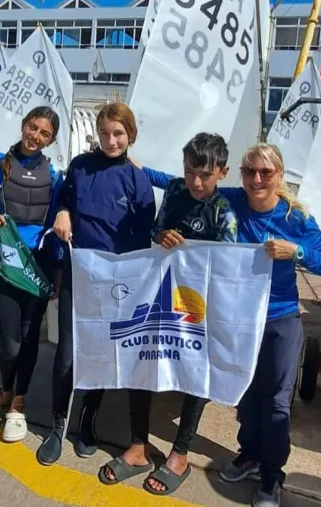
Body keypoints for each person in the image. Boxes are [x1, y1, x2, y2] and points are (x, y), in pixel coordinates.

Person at [99, 132, 237, 496]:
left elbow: (231, 266)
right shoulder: (175, 191)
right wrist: (162, 235)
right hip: (161, 295)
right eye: (191, 171)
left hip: (197, 310)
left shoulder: (224, 214)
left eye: (205, 175)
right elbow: (157, 227)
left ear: (221, 173)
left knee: (196, 377)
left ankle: (180, 454)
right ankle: (138, 446)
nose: (195, 181)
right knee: (141, 361)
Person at [219, 144, 321, 507]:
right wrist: (136, 165)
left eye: (265, 173)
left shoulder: (294, 218)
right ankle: (250, 453)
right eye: (250, 172)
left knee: (276, 400)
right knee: (246, 392)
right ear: (240, 175)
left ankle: (273, 475)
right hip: (242, 317)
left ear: (279, 175)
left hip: (281, 318)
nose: (257, 179)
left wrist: (297, 252)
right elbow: (194, 183)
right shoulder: (232, 202)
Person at [37, 102, 156, 466]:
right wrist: (62, 211)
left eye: (118, 134)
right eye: (104, 133)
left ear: (130, 136)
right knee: (67, 355)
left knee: (100, 357)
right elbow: (64, 200)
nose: (111, 140)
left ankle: (88, 420)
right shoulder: (79, 167)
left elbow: (144, 237)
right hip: (79, 274)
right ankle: (58, 424)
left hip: (115, 284)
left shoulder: (138, 181)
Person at [0, 106, 65, 443]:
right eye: (32, 128)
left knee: (29, 338)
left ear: (51, 140)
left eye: (44, 133)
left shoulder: (57, 177)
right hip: (7, 266)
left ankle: (17, 404)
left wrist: (58, 275)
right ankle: (5, 392)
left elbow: (62, 222)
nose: (35, 136)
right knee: (9, 343)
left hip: (38, 270)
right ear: (24, 126)